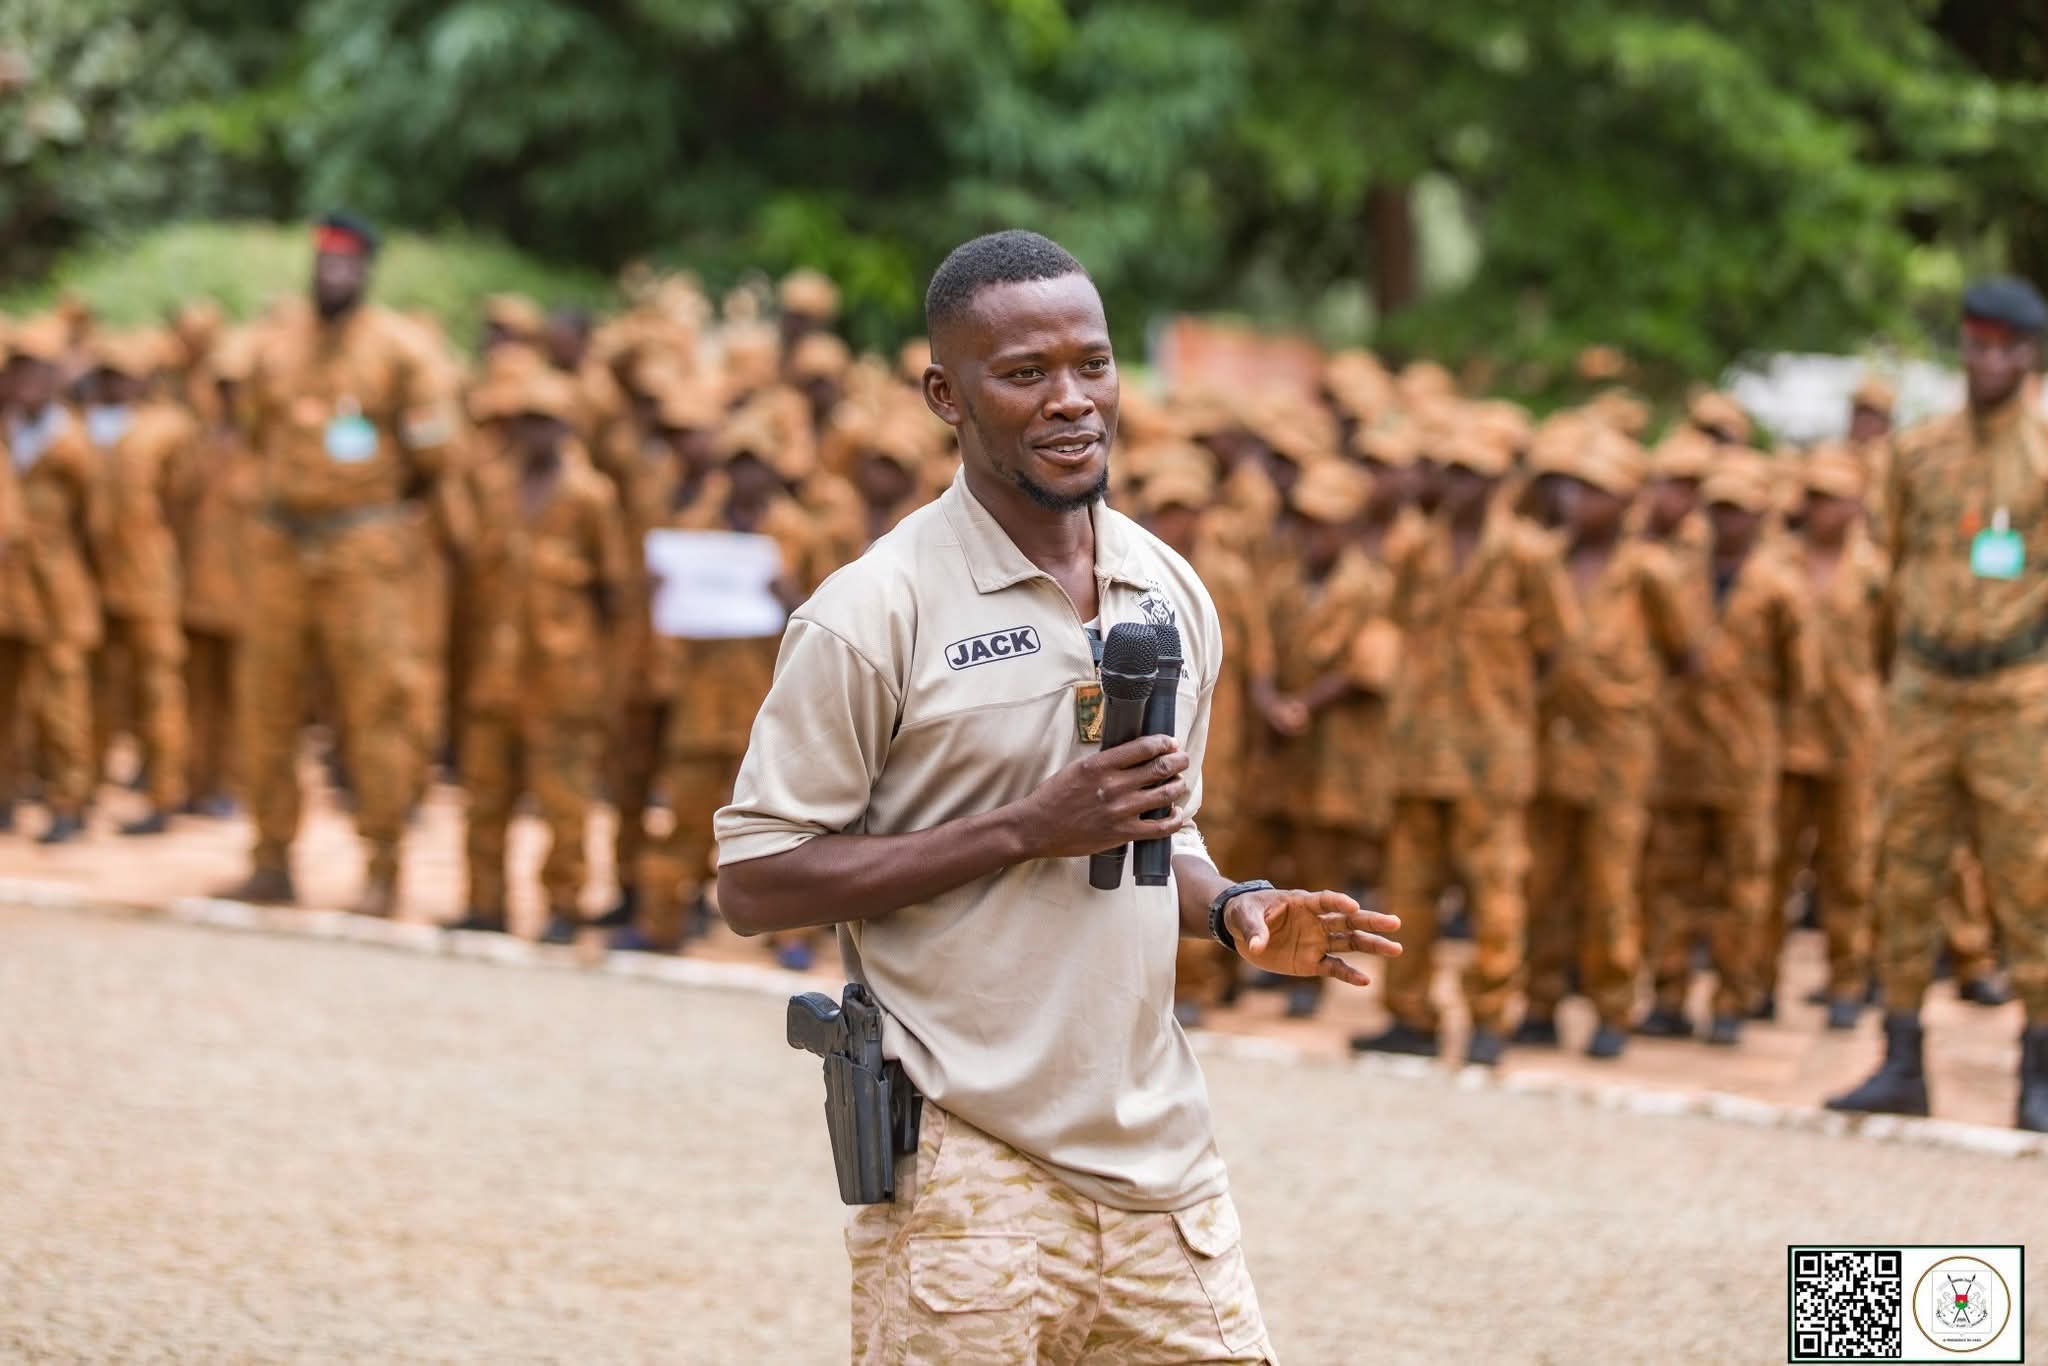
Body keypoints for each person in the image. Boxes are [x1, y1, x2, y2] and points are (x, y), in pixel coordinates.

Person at [715, 231, 1398, 1364]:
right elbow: (755, 881)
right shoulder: (873, 611)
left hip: (1158, 1165)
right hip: (961, 1172)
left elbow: (1155, 825)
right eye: (1024, 373)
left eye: (1092, 363)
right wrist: (1027, 826)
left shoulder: (1168, 587)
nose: (1071, 400)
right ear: (947, 393)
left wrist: (1233, 906)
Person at [1830, 276, 2048, 1131]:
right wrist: (1893, 677)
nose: (1987, 359)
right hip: (1924, 687)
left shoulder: (2043, 456)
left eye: (2004, 347)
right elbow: (1885, 574)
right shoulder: (1917, 454)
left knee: (2028, 878)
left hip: (2016, 692)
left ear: (2027, 354)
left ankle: (2037, 1067)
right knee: (1904, 872)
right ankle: (1901, 1057)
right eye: (1976, 344)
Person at [222, 212, 462, 915]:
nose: (333, 276)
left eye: (347, 266)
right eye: (324, 264)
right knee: (264, 706)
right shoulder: (274, 344)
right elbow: (253, 430)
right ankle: (270, 860)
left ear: (365, 271)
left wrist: (374, 514)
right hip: (279, 549)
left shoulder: (401, 351)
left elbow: (435, 457)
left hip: (363, 553)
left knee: (376, 707)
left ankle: (383, 866)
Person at [1352, 416, 1574, 1067]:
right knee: (1410, 891)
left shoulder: (1527, 555)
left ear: (1501, 481)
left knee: (1495, 893)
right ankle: (1411, 1014)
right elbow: (1388, 631)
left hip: (1491, 759)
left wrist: (1512, 713)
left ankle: (1490, 1018)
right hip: (1419, 753)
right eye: (1450, 471)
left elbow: (1558, 653)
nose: (1459, 485)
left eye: (1473, 473)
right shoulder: (1415, 549)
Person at [1518, 418, 1690, 1060]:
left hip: (1620, 748)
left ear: (1626, 500)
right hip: (1554, 739)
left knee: (1611, 881)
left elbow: (1685, 655)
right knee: (1546, 876)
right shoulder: (1546, 559)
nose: (1577, 503)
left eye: (1595, 491)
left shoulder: (1649, 571)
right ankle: (1538, 998)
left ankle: (1613, 1003)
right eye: (1573, 489)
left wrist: (1629, 699)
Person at [1637, 454, 1814, 1046]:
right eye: (1718, 509)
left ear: (1761, 513)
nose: (1727, 521)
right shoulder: (1672, 575)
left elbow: (1800, 679)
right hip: (1679, 754)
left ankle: (1735, 997)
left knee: (1745, 884)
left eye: (1739, 510)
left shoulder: (1780, 586)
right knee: (1670, 878)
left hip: (1745, 759)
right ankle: (1667, 992)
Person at [449, 369, 628, 942]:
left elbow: (616, 591)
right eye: (524, 421)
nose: (533, 434)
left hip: (564, 678)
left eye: (545, 422)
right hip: (496, 675)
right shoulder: (493, 487)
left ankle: (563, 904)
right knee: (484, 796)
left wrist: (602, 675)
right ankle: (484, 903)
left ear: (567, 427)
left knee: (564, 802)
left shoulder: (590, 496)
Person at [1765, 443, 1885, 1030]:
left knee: (1848, 868)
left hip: (1849, 739)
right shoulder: (1777, 563)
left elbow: (1888, 651)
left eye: (1835, 499)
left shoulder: (1875, 574)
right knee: (1771, 866)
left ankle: (1846, 980)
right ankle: (1752, 980)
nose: (1823, 510)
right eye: (1814, 497)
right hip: (1784, 737)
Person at [80, 331, 194, 835]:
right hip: (94, 575)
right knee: (95, 685)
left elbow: (183, 504)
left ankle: (165, 790)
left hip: (149, 576)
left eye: (123, 374)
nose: (114, 383)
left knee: (157, 684)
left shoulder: (167, 429)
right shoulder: (85, 426)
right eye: (107, 374)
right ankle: (82, 787)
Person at [1, 315, 101, 843]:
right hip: (9, 586)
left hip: (57, 583)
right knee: (5, 695)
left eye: (37, 374)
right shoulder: (9, 432)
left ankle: (70, 798)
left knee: (62, 693)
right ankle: (5, 793)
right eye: (18, 374)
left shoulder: (70, 442)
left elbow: (95, 520)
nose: (25, 386)